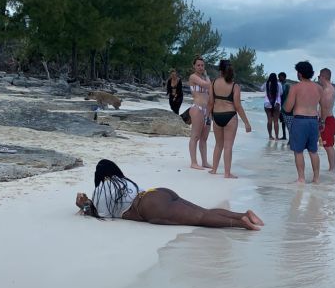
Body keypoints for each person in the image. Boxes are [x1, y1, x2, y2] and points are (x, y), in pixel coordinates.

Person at [76, 159, 264, 230]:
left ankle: (242, 224)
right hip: (159, 192)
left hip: (149, 207)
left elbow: (99, 214)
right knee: (204, 212)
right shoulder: (124, 182)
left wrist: (83, 205)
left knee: (200, 219)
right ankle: (244, 214)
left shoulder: (101, 190)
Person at [208, 59, 253, 178]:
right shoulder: (234, 86)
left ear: (220, 71)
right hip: (230, 117)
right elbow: (238, 106)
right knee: (228, 146)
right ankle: (227, 173)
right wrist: (247, 123)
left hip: (216, 116)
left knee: (218, 144)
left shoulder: (213, 83)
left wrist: (207, 116)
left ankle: (214, 169)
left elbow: (210, 103)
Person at [284, 61, 323, 184]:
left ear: (300, 74)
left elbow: (288, 108)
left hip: (300, 120)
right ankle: (316, 178)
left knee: (298, 151)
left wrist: (284, 106)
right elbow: (322, 107)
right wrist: (321, 121)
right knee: (313, 151)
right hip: (313, 121)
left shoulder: (295, 88)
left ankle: (301, 178)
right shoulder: (319, 88)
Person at [187, 56, 212, 169]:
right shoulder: (193, 77)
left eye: (202, 65)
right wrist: (207, 77)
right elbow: (207, 85)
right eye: (198, 65)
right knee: (195, 136)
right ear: (194, 66)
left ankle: (205, 161)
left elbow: (211, 90)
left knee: (204, 137)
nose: (201, 67)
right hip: (197, 108)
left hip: (207, 110)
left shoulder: (205, 77)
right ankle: (193, 162)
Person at [318, 68, 335, 172]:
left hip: (327, 120)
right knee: (327, 145)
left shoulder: (328, 90)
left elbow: (325, 108)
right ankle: (332, 168)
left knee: (328, 145)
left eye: (319, 77)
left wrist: (322, 122)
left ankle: (332, 168)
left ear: (323, 77)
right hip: (327, 119)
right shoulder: (327, 89)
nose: (318, 79)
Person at [261, 73, 282, 140]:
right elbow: (281, 93)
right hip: (277, 103)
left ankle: (270, 136)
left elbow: (261, 89)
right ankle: (277, 137)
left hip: (267, 103)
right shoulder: (278, 84)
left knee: (269, 120)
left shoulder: (266, 84)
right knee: (276, 121)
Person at [278, 72, 290, 141]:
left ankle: (290, 138)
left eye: (280, 77)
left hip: (286, 106)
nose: (279, 78)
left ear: (283, 77)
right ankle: (284, 136)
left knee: (288, 122)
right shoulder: (281, 84)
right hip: (281, 105)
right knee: (283, 121)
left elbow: (289, 96)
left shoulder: (287, 85)